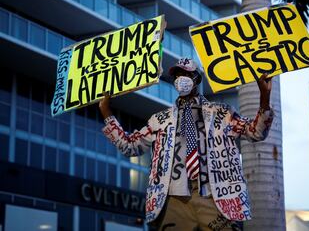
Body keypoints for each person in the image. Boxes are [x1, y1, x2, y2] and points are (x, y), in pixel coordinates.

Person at [99, 58, 274, 230]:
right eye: (177, 76)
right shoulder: (160, 120)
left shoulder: (222, 113)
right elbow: (130, 146)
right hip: (173, 199)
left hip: (216, 196)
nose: (180, 79)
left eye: (186, 74)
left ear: (197, 78)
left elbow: (256, 132)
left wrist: (264, 98)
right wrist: (106, 112)